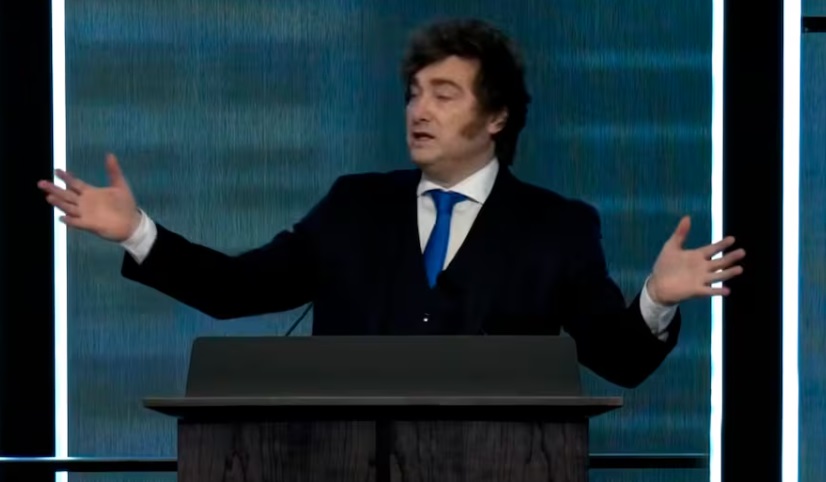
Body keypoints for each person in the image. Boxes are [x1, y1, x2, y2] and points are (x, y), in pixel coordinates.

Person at [38, 18, 744, 388]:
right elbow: (235, 289)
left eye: (444, 95)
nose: (420, 110)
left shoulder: (556, 226)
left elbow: (615, 362)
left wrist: (656, 299)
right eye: (414, 94)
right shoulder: (355, 207)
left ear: (497, 117)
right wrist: (137, 232)